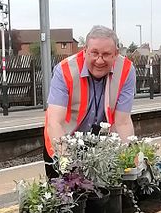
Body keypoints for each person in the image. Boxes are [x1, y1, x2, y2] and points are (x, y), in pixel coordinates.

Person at [43, 26, 136, 173]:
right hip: (63, 140)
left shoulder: (126, 70)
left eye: (106, 54)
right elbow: (55, 123)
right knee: (65, 191)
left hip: (102, 145)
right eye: (94, 53)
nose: (99, 60)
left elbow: (123, 122)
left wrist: (130, 161)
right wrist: (67, 163)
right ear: (85, 50)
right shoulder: (64, 70)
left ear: (116, 54)